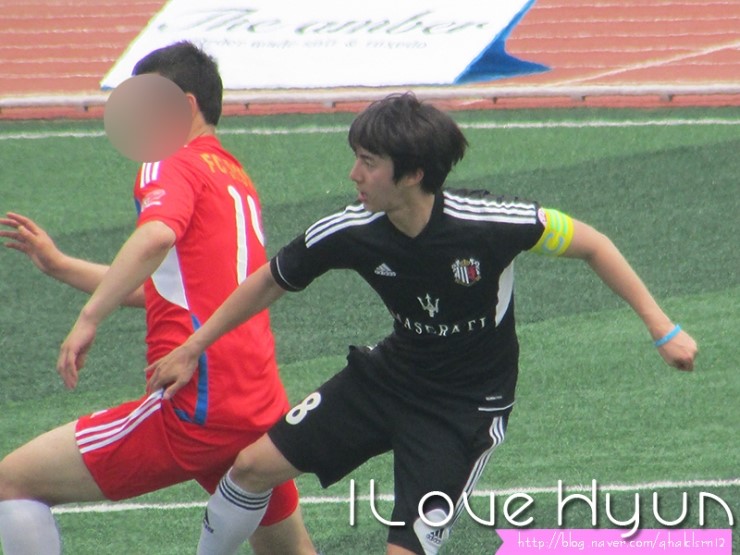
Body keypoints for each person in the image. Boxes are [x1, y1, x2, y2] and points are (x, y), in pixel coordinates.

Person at [146, 92, 698, 555]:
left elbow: (593, 244)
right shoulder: (350, 229)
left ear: (411, 174)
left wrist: (663, 329)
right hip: (388, 379)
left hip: (463, 410)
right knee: (248, 468)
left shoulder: (490, 224)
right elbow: (270, 280)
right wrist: (193, 346)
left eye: (368, 162)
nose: (354, 174)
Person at [0, 41, 315, 555]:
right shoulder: (234, 179)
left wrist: (88, 318)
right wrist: (60, 265)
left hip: (195, 403)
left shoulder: (169, 161)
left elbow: (156, 236)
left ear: (184, 106)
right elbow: (178, 291)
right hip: (255, 400)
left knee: (12, 481)